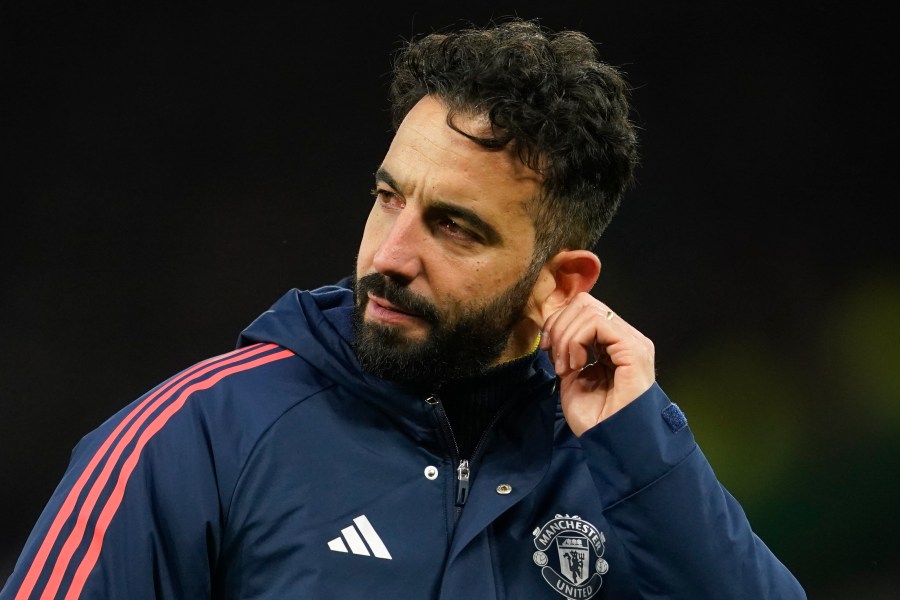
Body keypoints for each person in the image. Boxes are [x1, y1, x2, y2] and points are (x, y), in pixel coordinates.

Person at [1, 17, 806, 599]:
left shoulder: (619, 470)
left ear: (560, 284)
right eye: (389, 200)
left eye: (455, 228)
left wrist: (645, 451)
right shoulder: (201, 434)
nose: (389, 257)